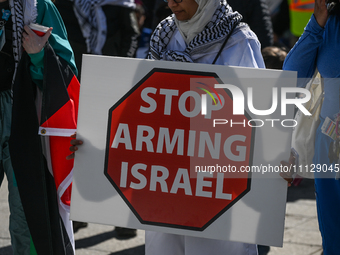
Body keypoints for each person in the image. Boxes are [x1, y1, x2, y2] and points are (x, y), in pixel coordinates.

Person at [0, 0, 79, 253]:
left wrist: (37, 56)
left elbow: (66, 71)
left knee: (28, 212)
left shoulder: (38, 7)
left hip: (25, 117)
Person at [281, 0, 340, 254]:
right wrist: (316, 25)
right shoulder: (329, 18)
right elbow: (292, 72)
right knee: (333, 243)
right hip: (328, 148)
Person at [55, 0, 140, 79]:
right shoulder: (63, 2)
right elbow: (55, 30)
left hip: (108, 66)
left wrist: (124, 62)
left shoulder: (121, 3)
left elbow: (131, 34)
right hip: (71, 66)